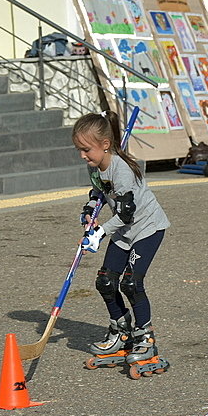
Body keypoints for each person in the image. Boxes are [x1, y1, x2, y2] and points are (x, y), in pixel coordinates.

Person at [72, 111, 171, 378]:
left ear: (105, 145)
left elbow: (126, 213)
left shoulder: (123, 170)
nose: (83, 155)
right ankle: (120, 330)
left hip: (146, 229)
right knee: (105, 281)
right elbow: (98, 193)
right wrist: (89, 216)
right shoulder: (95, 165)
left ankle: (145, 338)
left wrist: (101, 232)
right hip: (124, 232)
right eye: (79, 150)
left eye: (86, 149)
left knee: (131, 283)